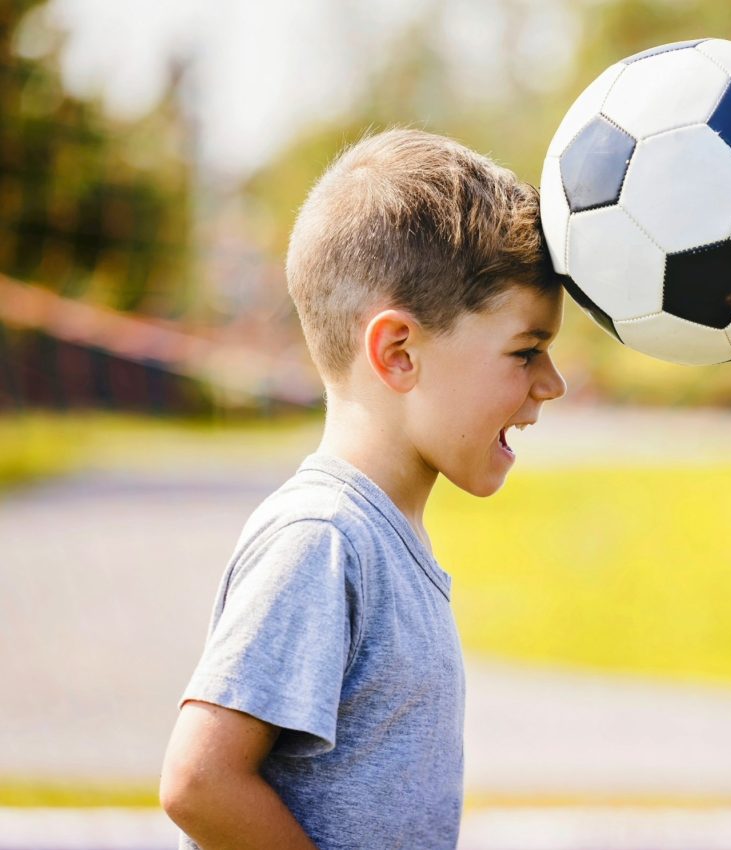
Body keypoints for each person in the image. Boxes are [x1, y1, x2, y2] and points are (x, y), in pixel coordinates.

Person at [159, 129, 567, 849]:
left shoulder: (380, 537)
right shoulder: (324, 538)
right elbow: (200, 782)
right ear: (398, 353)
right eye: (525, 351)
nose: (552, 383)